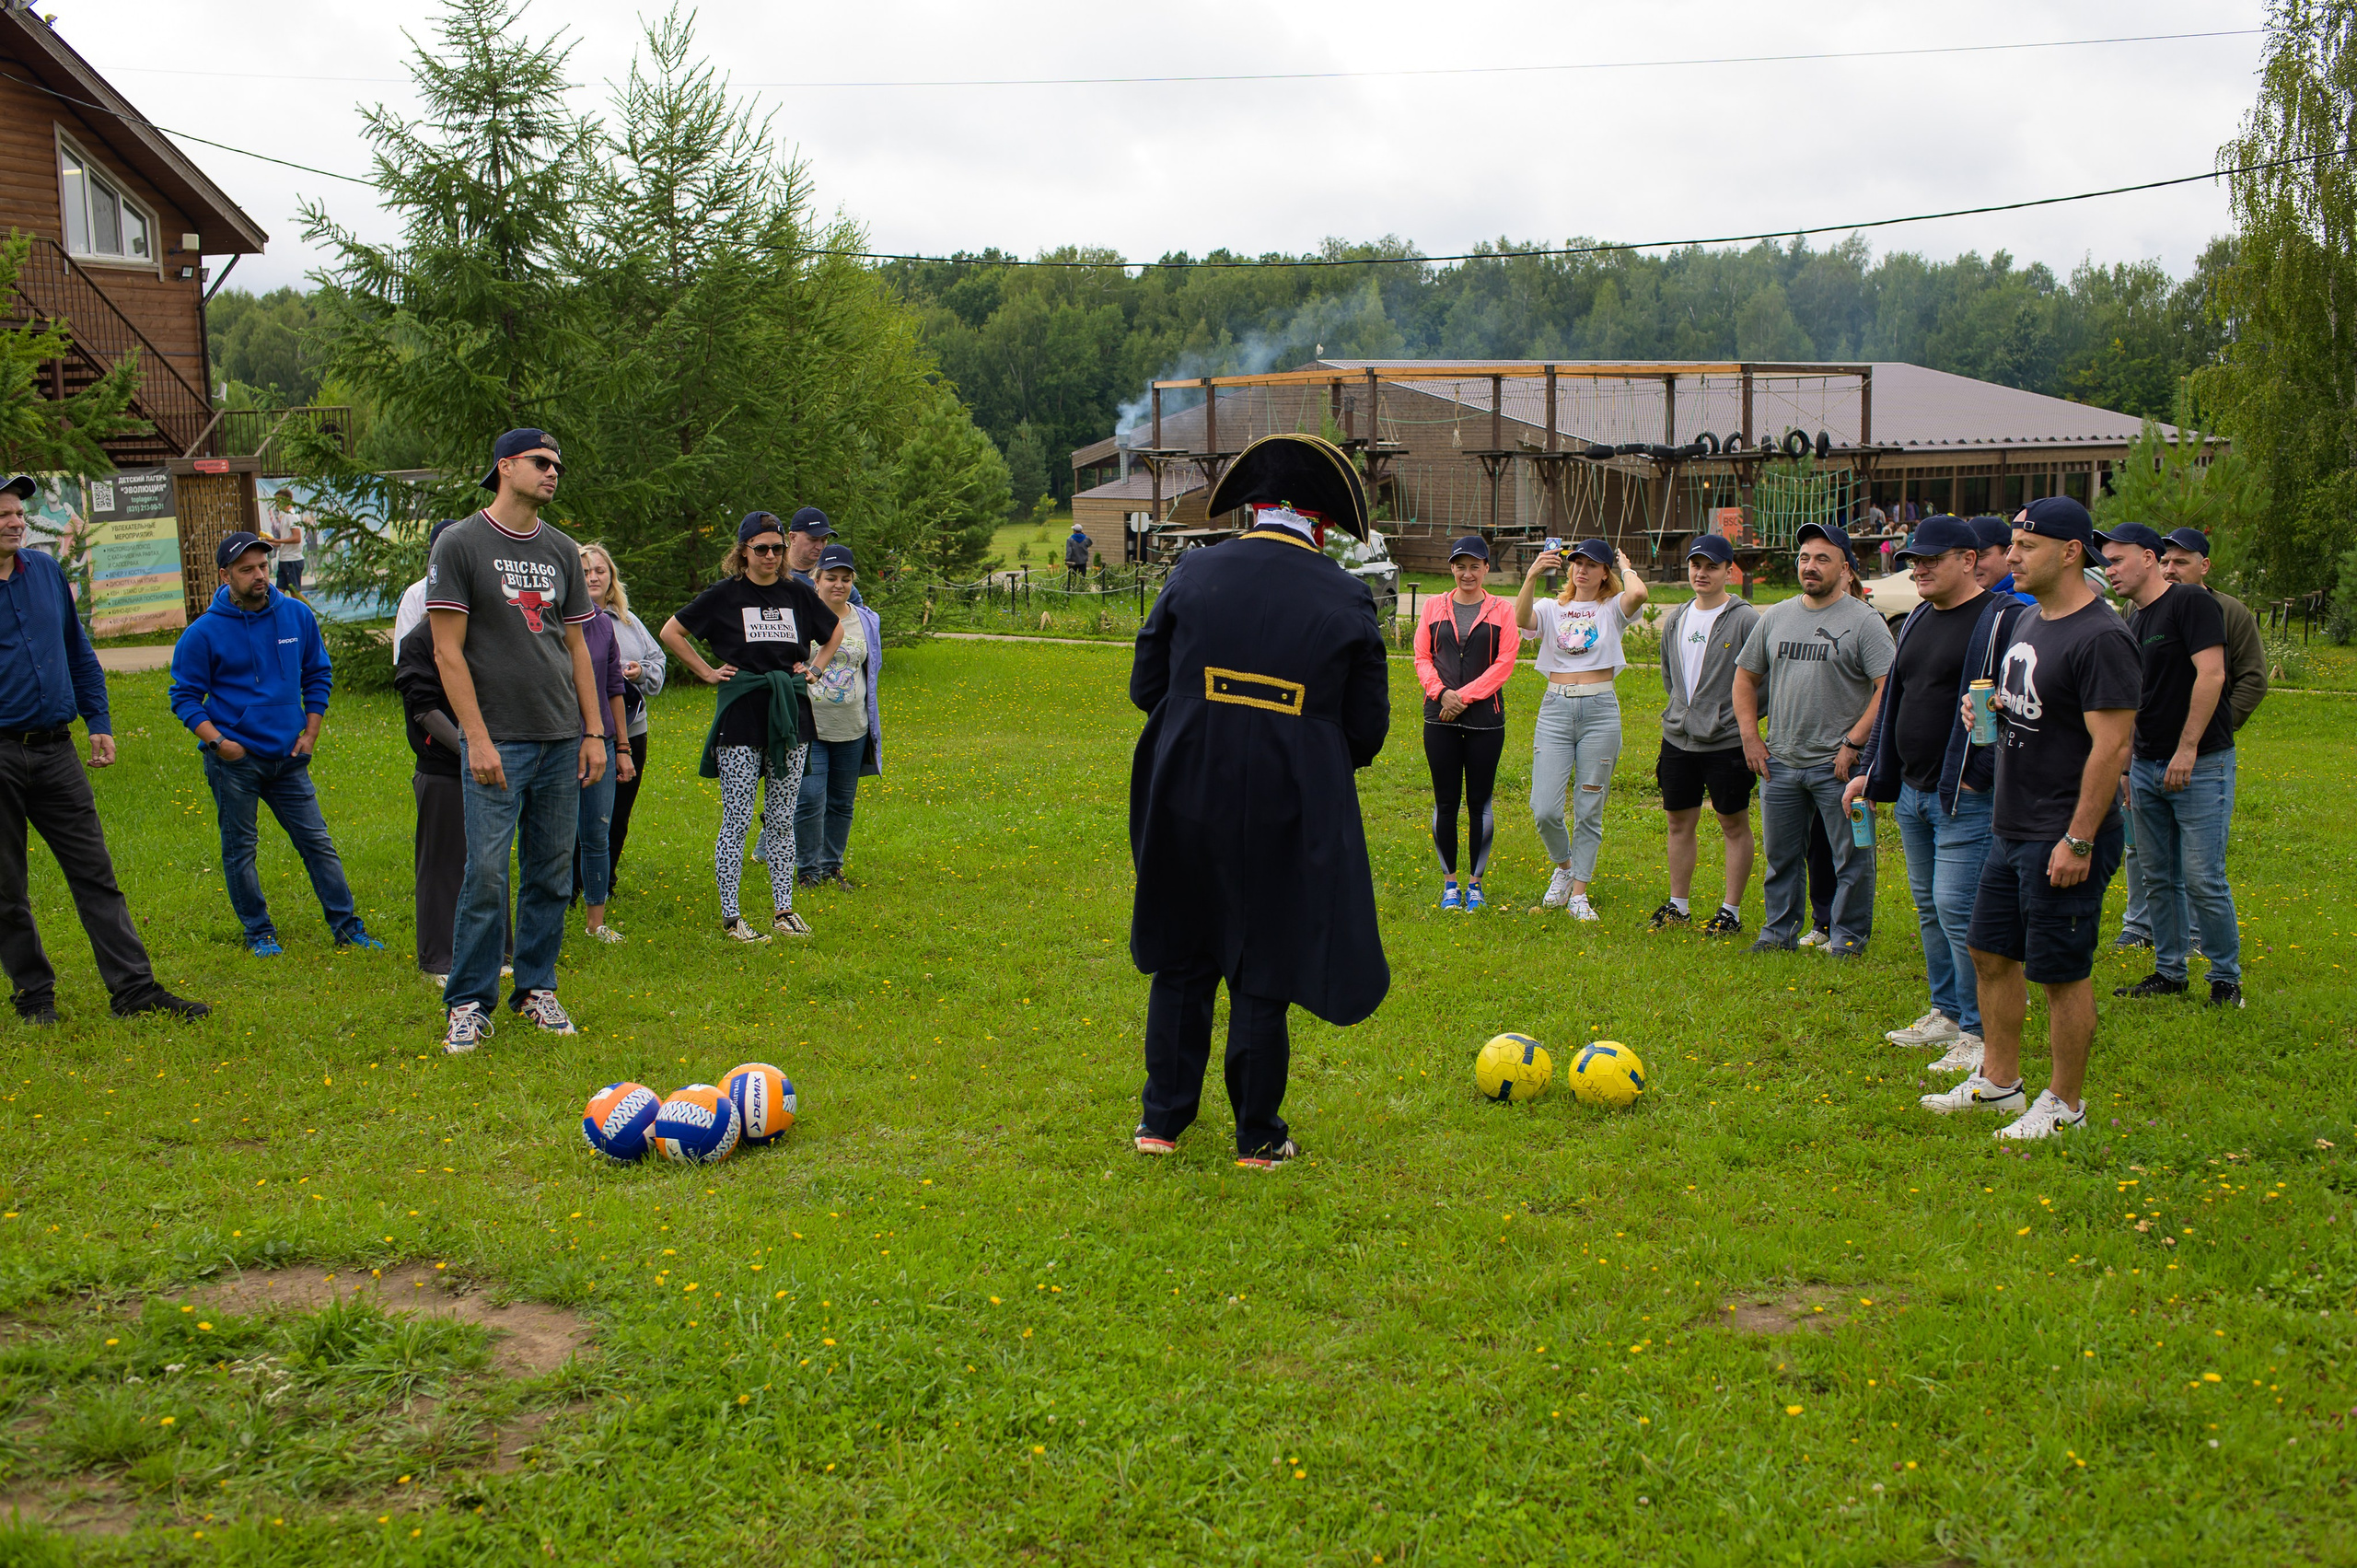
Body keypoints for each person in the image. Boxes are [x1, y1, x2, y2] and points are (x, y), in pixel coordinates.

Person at [1129, 434, 1388, 1168]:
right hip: (1289, 796)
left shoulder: (1195, 570)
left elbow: (1145, 685)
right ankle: (1258, 1135)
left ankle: (1162, 1121)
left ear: (1256, 507)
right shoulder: (1345, 592)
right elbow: (1367, 730)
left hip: (1186, 785)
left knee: (1184, 951)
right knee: (1264, 958)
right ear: (1325, 522)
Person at [1922, 496, 2138, 1139]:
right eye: (2011, 544)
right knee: (1990, 949)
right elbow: (2030, 711)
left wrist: (2079, 836)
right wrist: (1981, 718)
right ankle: (2000, 1081)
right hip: (2010, 823)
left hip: (2064, 831)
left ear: (2071, 551)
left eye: (2026, 546)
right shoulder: (2029, 623)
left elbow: (2113, 745)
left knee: (2061, 971)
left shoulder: (2100, 635)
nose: (2010, 556)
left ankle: (2065, 1104)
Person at [426, 428, 610, 1053]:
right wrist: (473, 737)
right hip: (497, 739)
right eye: (541, 462)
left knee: (552, 872)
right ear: (505, 466)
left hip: (562, 737)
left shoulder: (561, 549)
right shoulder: (461, 543)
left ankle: (535, 986)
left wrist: (593, 732)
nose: (553, 472)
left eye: (558, 463)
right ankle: (469, 1003)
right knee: (484, 873)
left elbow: (577, 646)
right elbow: (446, 651)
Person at [0, 474, 206, 1024]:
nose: (15, 521)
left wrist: (99, 719)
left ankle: (134, 991)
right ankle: (34, 994)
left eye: (18, 512)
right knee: (6, 886)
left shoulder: (44, 572)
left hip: (56, 751)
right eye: (3, 513)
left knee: (95, 872)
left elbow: (77, 650)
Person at [1846, 516, 2026, 1075]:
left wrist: (1983, 771)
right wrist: (1873, 771)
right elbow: (1895, 700)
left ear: (1969, 561)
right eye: (1913, 560)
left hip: (1964, 794)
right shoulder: (1920, 615)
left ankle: (1977, 1031)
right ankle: (1948, 1013)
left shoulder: (2004, 620)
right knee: (1929, 907)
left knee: (1959, 909)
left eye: (1931, 559)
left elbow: (2021, 701)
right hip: (1914, 792)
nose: (1917, 568)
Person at [168, 530, 381, 957]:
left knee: (317, 843)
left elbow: (318, 674)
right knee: (240, 850)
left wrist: (311, 732)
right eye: (246, 570)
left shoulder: (297, 617)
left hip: (289, 758)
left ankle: (347, 927)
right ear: (226, 575)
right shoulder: (203, 632)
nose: (259, 575)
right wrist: (218, 743)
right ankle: (259, 933)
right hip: (235, 762)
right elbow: (184, 696)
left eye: (263, 566)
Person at [662, 512, 842, 942]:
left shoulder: (796, 594)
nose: (770, 555)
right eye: (760, 548)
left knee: (782, 817)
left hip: (790, 715)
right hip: (742, 714)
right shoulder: (725, 594)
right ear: (743, 551)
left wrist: (815, 669)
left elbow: (832, 632)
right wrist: (706, 672)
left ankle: (784, 910)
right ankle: (731, 916)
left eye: (777, 549)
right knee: (738, 817)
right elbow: (672, 631)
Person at [2096, 522, 2244, 1008]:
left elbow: (2213, 674)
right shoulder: (2133, 618)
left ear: (2148, 558)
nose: (2109, 569)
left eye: (2118, 560)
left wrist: (2187, 749)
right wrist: (2125, 766)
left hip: (2199, 764)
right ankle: (2170, 971)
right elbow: (2135, 699)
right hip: (2144, 766)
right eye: (2107, 561)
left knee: (2203, 877)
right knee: (2158, 874)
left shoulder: (2190, 603)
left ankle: (2226, 982)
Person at [1734, 522, 1893, 958]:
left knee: (1852, 858)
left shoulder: (1865, 622)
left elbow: (1889, 688)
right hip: (1780, 762)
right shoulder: (1778, 616)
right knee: (1781, 858)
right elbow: (1745, 677)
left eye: (1823, 558)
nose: (1811, 566)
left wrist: (1855, 743)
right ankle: (1777, 934)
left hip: (1837, 765)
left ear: (1845, 568)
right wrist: (1751, 737)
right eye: (1805, 557)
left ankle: (1847, 938)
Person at [2116, 527, 2267, 949]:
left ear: (2205, 565)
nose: (2171, 568)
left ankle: (2208, 948)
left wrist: (2204, 733)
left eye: (2181, 561)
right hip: (2146, 756)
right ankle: (2144, 930)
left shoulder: (2226, 610)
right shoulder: (2136, 611)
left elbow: (2247, 679)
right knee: (2145, 855)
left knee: (2201, 870)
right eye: (2166, 560)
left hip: (2199, 754)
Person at [1516, 537, 1650, 920]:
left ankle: (1579, 894)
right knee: (1543, 808)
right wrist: (1531, 577)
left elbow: (1638, 593)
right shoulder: (1552, 607)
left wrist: (1626, 565)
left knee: (1589, 807)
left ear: (1604, 571)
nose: (1582, 569)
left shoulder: (1611, 608)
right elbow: (1521, 620)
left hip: (1600, 711)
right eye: (1577, 563)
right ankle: (1564, 868)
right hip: (1555, 709)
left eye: (1592, 564)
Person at [1648, 534, 1761, 934]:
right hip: (1679, 738)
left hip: (1727, 742)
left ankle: (1730, 911)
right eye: (1696, 565)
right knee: (1679, 822)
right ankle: (1679, 904)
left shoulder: (1746, 619)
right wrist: (1684, 712)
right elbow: (1669, 675)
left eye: (1712, 566)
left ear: (1729, 571)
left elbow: (1764, 680)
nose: (1702, 573)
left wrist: (1737, 719)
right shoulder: (1677, 617)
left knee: (1733, 822)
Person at [1414, 536, 1521, 911]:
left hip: (1484, 721)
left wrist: (1464, 697)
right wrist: (1442, 693)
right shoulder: (1432, 606)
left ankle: (1475, 884)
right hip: (1439, 716)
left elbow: (1505, 663)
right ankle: (1450, 884)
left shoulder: (1502, 610)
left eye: (1475, 566)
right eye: (1461, 566)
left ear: (1486, 569)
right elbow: (1421, 657)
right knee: (1446, 802)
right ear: (1452, 569)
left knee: (1479, 802)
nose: (1467, 573)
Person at [795, 541, 883, 888]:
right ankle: (807, 872)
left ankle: (832, 867)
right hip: (811, 726)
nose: (838, 585)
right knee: (809, 799)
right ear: (816, 581)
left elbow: (871, 669)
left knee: (842, 802)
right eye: (831, 578)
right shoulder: (801, 617)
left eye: (845, 579)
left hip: (853, 727)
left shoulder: (866, 620)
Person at [580, 543, 664, 886]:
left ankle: (605, 879)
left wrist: (639, 671)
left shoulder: (627, 621)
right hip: (585, 731)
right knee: (582, 811)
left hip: (631, 728)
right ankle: (574, 882)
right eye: (585, 571)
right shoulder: (566, 618)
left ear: (611, 576)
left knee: (619, 812)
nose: (593, 577)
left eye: (600, 570)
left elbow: (657, 662)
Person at [571, 568, 633, 944]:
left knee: (597, 831)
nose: (587, 578)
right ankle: (547, 913)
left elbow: (615, 687)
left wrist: (622, 748)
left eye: (596, 571)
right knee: (551, 836)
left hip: (602, 741)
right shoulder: (547, 620)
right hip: (557, 740)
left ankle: (596, 923)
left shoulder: (602, 625)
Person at [784, 507, 865, 607]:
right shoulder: (774, 571)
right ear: (793, 537)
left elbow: (859, 615)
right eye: (813, 539)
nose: (819, 547)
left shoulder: (831, 575)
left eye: (824, 540)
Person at [1971, 516, 2038, 605]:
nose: (1971, 565)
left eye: (1981, 556)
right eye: (1966, 558)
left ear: (2008, 553)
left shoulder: (2022, 605)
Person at [261, 487, 308, 597]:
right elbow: (285, 541)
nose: (277, 504)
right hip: (284, 559)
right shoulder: (285, 516)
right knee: (279, 592)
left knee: (295, 592)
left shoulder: (292, 516)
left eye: (278, 501)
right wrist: (270, 542)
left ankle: (309, 612)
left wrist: (277, 540)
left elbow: (297, 538)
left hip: (292, 560)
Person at [1064, 521, 1093, 589]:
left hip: (1073, 561)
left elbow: (1069, 551)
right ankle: (1082, 589)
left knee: (1072, 577)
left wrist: (1067, 560)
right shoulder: (1086, 538)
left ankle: (1073, 588)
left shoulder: (1070, 539)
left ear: (1074, 531)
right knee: (1082, 576)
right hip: (1083, 560)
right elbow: (1090, 543)